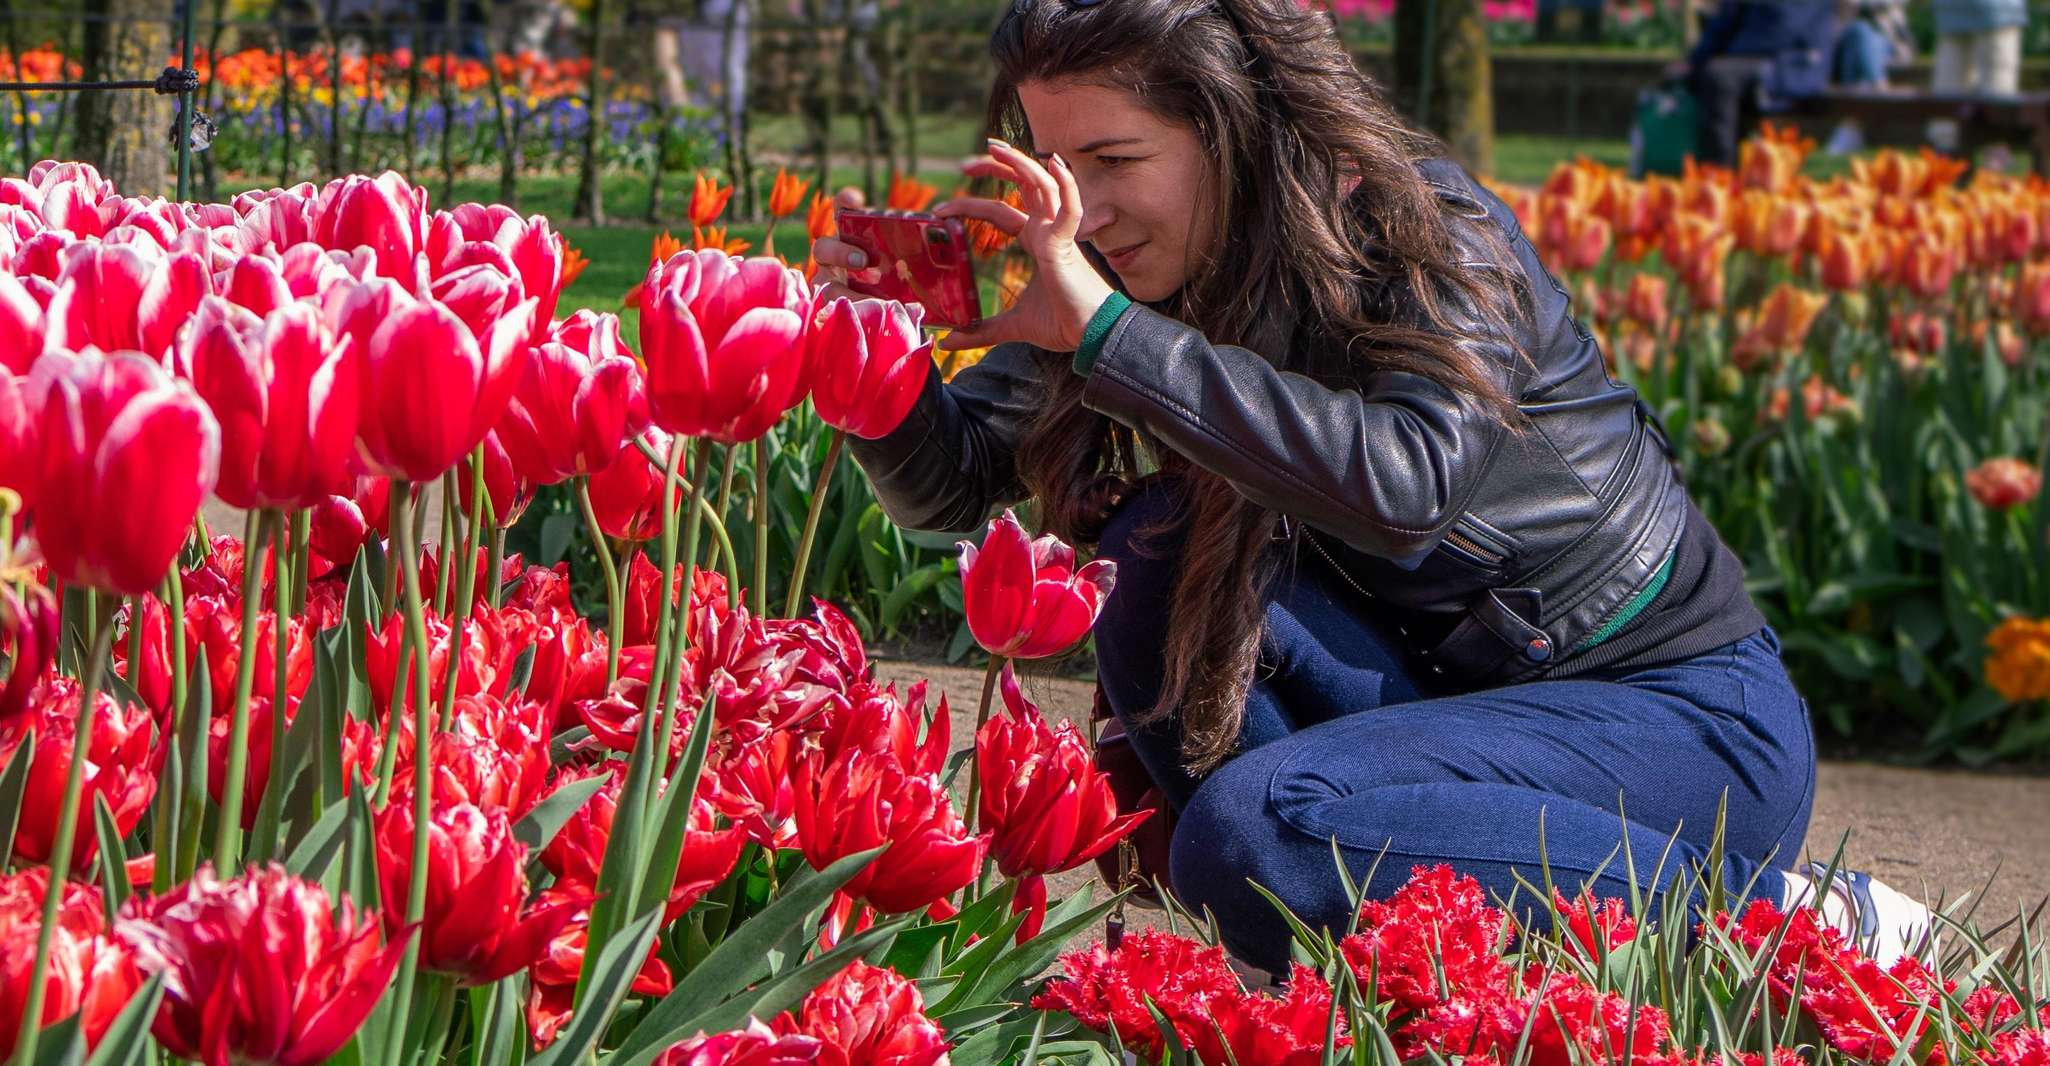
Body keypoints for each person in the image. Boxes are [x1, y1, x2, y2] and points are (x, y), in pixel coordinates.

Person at [811, 0, 1935, 978]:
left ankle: (1782, 921)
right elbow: (955, 482)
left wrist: (1113, 337)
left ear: (1233, 127)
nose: (1084, 212)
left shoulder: (1425, 228)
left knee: (1248, 837)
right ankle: (1360, 923)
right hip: (1458, 708)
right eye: (1063, 170)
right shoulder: (1136, 267)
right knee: (1154, 550)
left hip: (1674, 718)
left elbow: (1406, 485)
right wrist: (877, 362)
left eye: (1115, 161)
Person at [1680, 0, 1838, 165]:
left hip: (1795, 63)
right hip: (1750, 62)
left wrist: (1733, 54)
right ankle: (1704, 165)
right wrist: (1694, 61)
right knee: (1704, 74)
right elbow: (1725, 22)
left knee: (1720, 76)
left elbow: (1785, 26)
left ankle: (1720, 168)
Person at [1928, 0, 2028, 152]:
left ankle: (1944, 150)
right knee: (1997, 86)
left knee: (1949, 82)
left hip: (1950, 9)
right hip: (1998, 9)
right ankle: (1994, 154)